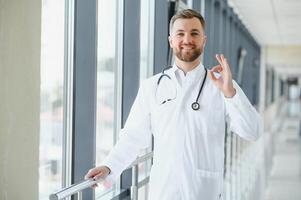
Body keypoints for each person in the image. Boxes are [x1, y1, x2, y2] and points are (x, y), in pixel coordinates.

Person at [85, 9, 261, 200]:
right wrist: (109, 166)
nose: (187, 39)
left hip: (204, 192)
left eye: (194, 33)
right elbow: (132, 137)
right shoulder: (152, 87)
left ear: (204, 40)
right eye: (180, 34)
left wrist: (230, 93)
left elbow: (252, 131)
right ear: (171, 41)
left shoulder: (222, 84)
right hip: (164, 192)